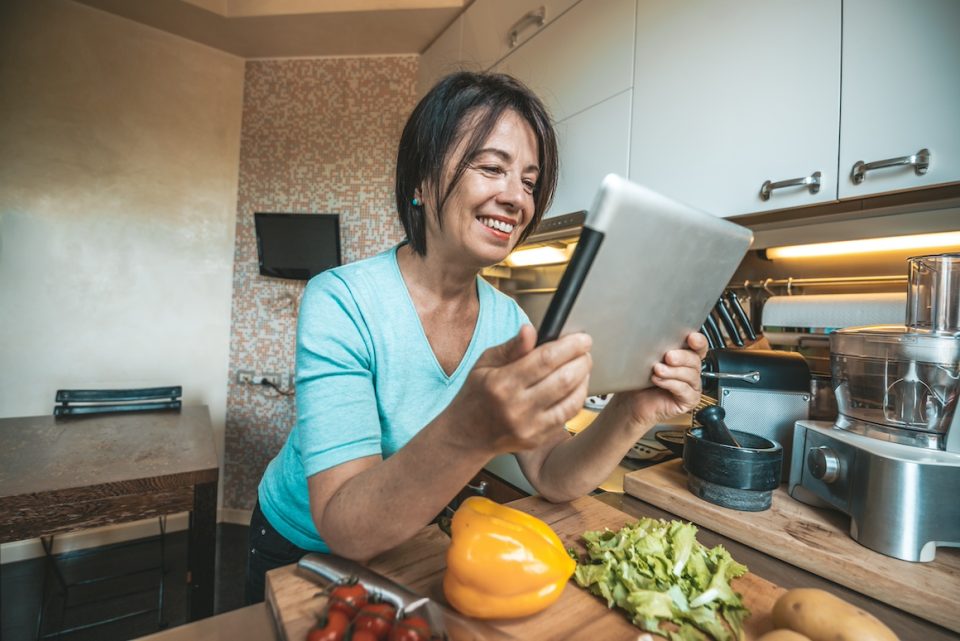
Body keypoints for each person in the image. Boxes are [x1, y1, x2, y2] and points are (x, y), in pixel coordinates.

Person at [244, 71, 707, 603]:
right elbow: (343, 525)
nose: (517, 199)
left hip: (408, 542)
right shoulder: (341, 300)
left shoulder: (510, 322)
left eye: (530, 183)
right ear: (420, 182)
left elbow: (552, 474)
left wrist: (631, 412)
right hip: (298, 548)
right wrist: (473, 428)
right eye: (492, 168)